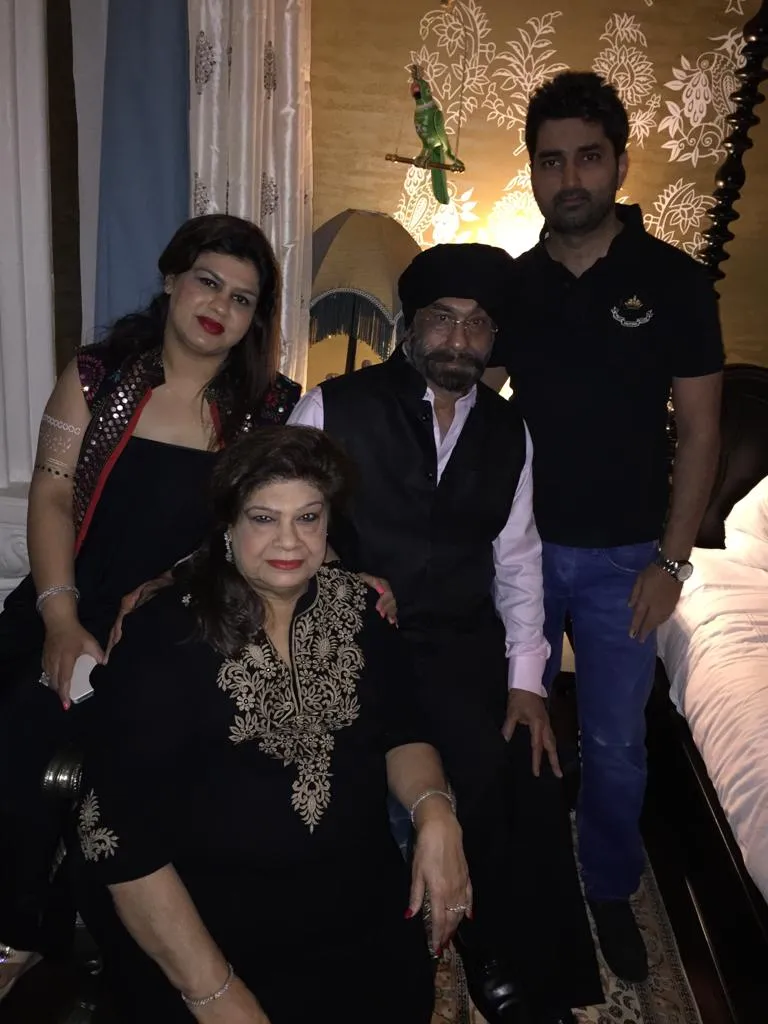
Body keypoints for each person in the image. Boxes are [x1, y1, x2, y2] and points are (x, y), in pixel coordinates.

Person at [289, 243, 603, 1024]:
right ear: (410, 325)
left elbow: (518, 559)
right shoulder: (331, 408)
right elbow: (277, 526)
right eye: (442, 320)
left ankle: (496, 947)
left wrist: (528, 683)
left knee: (519, 764)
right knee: (343, 784)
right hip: (352, 636)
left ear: (494, 338)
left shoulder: (510, 431)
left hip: (460, 643)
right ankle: (369, 942)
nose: (459, 340)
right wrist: (337, 581)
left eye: (477, 325)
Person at [73, 426, 469, 1024]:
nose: (289, 540)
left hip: (355, 916)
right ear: (228, 526)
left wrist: (435, 811)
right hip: (207, 931)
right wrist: (213, 993)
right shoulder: (164, 636)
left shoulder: (360, 611)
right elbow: (117, 834)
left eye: (308, 517)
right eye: (264, 518)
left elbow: (402, 728)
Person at [0, 214, 300, 1000]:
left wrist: (171, 586)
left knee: (139, 765)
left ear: (254, 318)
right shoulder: (97, 377)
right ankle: (18, 929)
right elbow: (52, 493)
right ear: (171, 279)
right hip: (66, 596)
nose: (219, 306)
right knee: (23, 735)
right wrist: (60, 620)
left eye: (242, 298)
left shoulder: (266, 409)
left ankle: (128, 941)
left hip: (178, 619)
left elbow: (255, 530)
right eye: (208, 282)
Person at [483, 71, 724, 982]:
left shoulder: (675, 282)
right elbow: (477, 413)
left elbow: (701, 430)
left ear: (620, 165)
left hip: (629, 558)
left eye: (587, 157)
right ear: (533, 172)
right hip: (523, 553)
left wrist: (673, 561)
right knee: (513, 723)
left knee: (618, 748)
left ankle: (610, 887)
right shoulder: (513, 288)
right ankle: (520, 878)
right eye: (551, 161)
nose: (569, 177)